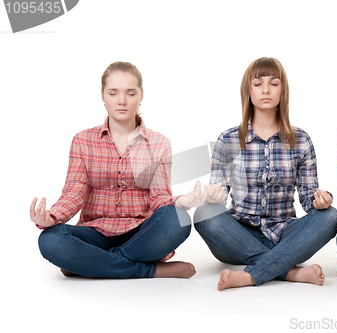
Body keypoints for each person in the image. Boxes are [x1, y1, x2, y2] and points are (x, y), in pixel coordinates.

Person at [31, 61, 207, 279]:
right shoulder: (82, 140)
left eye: (130, 93)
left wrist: (182, 202)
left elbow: (159, 198)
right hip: (95, 231)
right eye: (113, 93)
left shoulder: (160, 143)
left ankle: (89, 262)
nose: (122, 101)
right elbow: (74, 192)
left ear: (141, 95)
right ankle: (149, 270)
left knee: (178, 219)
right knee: (51, 239)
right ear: (103, 96)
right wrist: (52, 216)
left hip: (142, 232)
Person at [194, 57, 337, 290]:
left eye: (274, 83)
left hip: (286, 234)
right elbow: (218, 195)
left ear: (283, 91)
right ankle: (289, 272)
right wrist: (213, 196)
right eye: (258, 83)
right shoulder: (228, 139)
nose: (266, 90)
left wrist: (321, 200)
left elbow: (308, 198)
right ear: (248, 91)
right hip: (237, 237)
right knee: (204, 213)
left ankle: (251, 274)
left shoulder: (301, 140)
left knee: (331, 216)